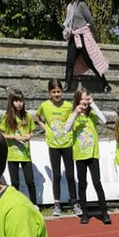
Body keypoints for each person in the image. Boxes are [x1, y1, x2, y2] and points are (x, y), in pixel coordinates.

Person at [64, 87, 111, 225]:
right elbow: (67, 128)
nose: (84, 101)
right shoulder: (74, 115)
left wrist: (93, 104)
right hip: (80, 155)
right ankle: (85, 213)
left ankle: (104, 212)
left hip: (92, 154)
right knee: (82, 184)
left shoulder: (92, 115)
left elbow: (104, 120)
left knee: (97, 183)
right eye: (82, 99)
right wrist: (76, 112)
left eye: (86, 98)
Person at [35, 79, 81, 217]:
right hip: (53, 144)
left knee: (70, 174)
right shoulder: (44, 105)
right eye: (54, 92)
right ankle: (57, 204)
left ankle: (74, 203)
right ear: (49, 92)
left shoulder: (68, 106)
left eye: (59, 91)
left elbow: (73, 119)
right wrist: (46, 129)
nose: (56, 94)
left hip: (67, 143)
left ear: (62, 91)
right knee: (56, 175)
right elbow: (37, 118)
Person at [62, 0, 111, 94]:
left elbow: (90, 20)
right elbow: (68, 23)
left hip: (83, 36)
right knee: (70, 62)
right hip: (73, 36)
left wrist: (87, 32)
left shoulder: (82, 5)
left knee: (91, 62)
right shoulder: (69, 7)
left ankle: (105, 84)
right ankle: (67, 85)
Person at [0, 89, 38, 207]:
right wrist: (14, 137)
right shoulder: (6, 117)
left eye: (21, 101)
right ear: (11, 102)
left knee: (30, 181)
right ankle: (16, 205)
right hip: (12, 155)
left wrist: (29, 136)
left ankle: (34, 204)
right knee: (15, 182)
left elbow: (32, 131)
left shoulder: (27, 116)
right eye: (16, 101)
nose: (19, 104)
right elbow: (1, 134)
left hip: (25, 154)